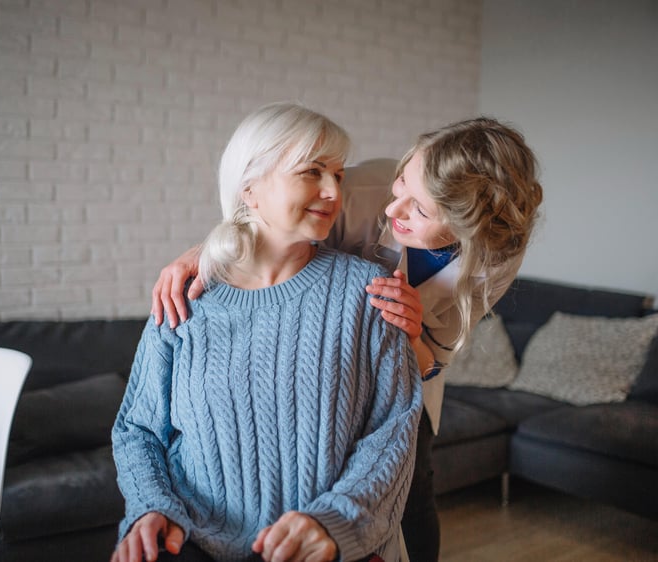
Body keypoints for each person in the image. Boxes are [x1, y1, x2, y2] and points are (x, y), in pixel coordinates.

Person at [150, 116, 544, 561]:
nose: (393, 210)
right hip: (313, 367)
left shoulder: (492, 258)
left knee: (409, 497)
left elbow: (435, 357)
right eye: (400, 186)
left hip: (404, 378)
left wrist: (411, 338)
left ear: (465, 231)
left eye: (418, 209)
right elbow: (265, 229)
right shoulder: (355, 191)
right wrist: (199, 254)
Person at [112, 102, 423, 562]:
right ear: (250, 189)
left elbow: (393, 429)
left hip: (319, 545)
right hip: (192, 541)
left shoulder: (369, 292)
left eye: (337, 174)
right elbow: (138, 429)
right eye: (313, 172)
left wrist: (334, 522)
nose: (333, 191)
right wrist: (150, 508)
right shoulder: (184, 298)